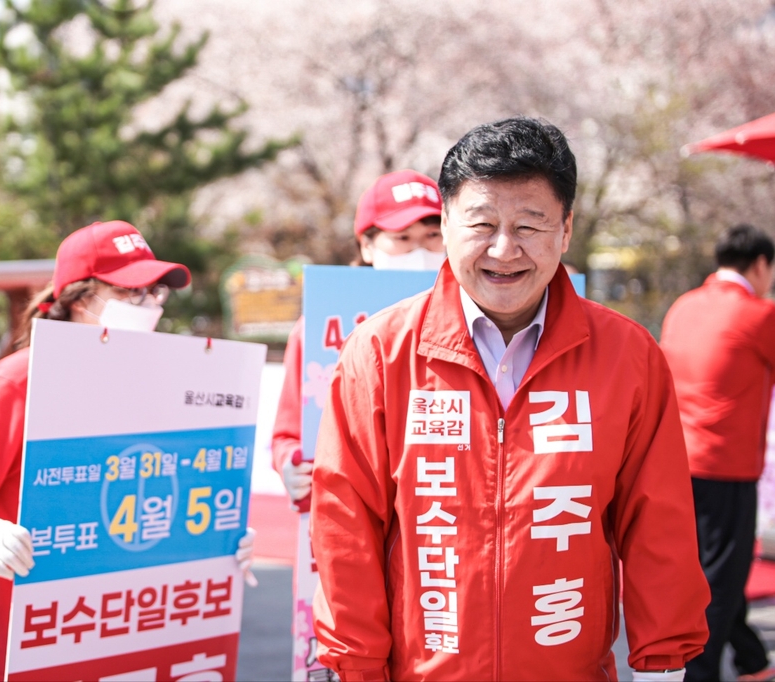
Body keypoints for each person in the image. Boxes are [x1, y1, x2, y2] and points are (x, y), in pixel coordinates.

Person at [310, 117, 710, 681]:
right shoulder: (380, 353)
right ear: (446, 224)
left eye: (530, 225)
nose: (503, 249)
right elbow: (345, 525)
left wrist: (663, 663)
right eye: (481, 224)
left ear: (566, 230)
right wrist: (356, 665)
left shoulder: (628, 356)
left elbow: (658, 523)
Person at [0, 220, 257, 682]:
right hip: (2, 637)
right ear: (80, 300)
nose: (149, 306)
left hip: (93, 637)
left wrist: (216, 536)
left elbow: (161, 491)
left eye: (155, 294)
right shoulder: (21, 378)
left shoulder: (157, 380)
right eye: (131, 293)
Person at [273, 169, 445, 508]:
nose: (421, 251)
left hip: (436, 499)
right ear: (367, 245)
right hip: (349, 505)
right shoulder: (321, 323)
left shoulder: (476, 318)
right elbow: (288, 432)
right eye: (402, 238)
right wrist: (290, 462)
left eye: (433, 235)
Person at [660, 224, 775, 682]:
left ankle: (751, 661)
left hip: (676, 458)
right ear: (761, 265)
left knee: (709, 566)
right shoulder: (757, 314)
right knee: (722, 576)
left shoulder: (684, 306)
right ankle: (699, 672)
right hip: (725, 463)